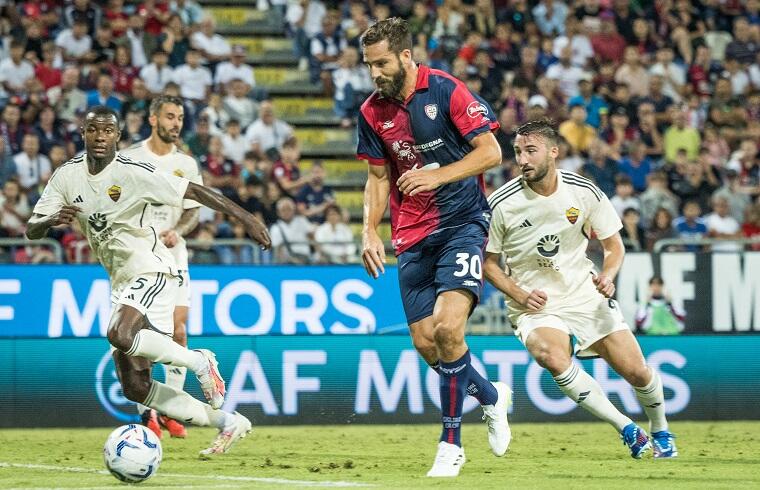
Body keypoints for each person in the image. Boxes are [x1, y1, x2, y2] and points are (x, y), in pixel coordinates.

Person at [26, 106, 271, 457]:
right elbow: (31, 230)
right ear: (82, 132)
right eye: (93, 130)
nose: (100, 137)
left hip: (151, 267)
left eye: (107, 131)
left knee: (119, 334)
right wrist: (49, 220)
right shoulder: (66, 177)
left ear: (117, 136)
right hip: (120, 280)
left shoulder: (133, 172)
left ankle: (200, 361)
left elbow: (194, 192)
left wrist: (247, 217)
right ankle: (228, 422)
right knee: (135, 386)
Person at [357, 18, 510, 477]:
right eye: (368, 65)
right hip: (412, 235)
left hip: (463, 223)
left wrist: (436, 175)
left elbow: (491, 152)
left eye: (381, 63)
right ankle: (492, 396)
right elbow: (378, 176)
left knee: (447, 328)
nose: (374, 73)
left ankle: (450, 443)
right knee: (429, 345)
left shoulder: (446, 90)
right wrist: (369, 230)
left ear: (405, 56)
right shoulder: (370, 111)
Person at [483, 120, 677, 461]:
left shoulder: (583, 191)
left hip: (584, 292)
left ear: (554, 152)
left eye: (530, 150)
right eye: (517, 152)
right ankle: (627, 429)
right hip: (534, 301)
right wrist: (517, 293)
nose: (522, 159)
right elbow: (488, 263)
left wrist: (609, 274)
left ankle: (660, 429)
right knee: (552, 357)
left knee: (636, 372)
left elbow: (614, 246)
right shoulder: (501, 203)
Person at [121, 95, 202, 439]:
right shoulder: (129, 159)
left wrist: (177, 231)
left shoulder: (186, 163)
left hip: (174, 253)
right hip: (139, 255)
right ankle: (147, 412)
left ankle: (170, 409)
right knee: (144, 333)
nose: (176, 123)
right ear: (153, 119)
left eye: (180, 117)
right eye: (169, 116)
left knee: (178, 331)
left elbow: (193, 210)